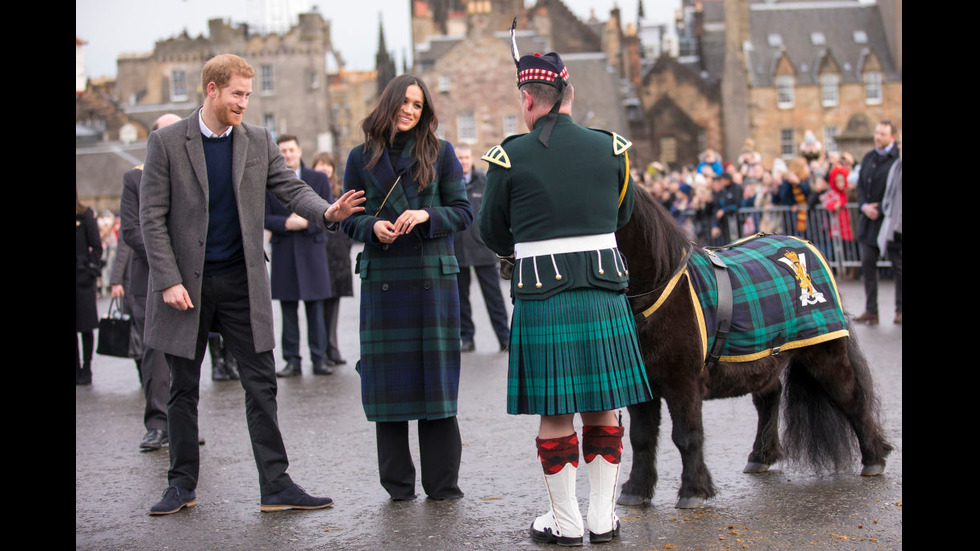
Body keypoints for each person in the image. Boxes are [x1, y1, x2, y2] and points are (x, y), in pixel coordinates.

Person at [138, 53, 365, 515]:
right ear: (212, 90)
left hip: (243, 282)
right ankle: (181, 485)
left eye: (248, 94)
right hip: (186, 288)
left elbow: (289, 189)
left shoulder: (259, 141)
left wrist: (326, 212)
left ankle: (276, 486)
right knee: (183, 387)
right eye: (237, 93)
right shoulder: (165, 142)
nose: (245, 102)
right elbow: (151, 218)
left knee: (261, 384)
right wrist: (167, 280)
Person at [478, 49, 653, 545]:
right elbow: (623, 215)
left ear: (529, 98)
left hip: (542, 294)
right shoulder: (612, 148)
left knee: (556, 411)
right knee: (602, 405)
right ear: (569, 96)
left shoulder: (509, 156)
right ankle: (602, 518)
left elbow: (491, 231)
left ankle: (567, 522)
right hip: (603, 292)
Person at [340, 74, 472, 501]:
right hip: (384, 278)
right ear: (390, 103)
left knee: (436, 382)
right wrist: (372, 226)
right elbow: (347, 217)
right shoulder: (360, 157)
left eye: (418, 105)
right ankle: (397, 485)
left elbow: (464, 212)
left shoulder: (442, 152)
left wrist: (426, 217)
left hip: (432, 277)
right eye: (406, 102)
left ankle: (442, 484)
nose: (410, 111)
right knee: (388, 386)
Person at [118, 114, 183, 451]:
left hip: (189, 275)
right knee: (155, 352)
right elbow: (130, 231)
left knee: (184, 353)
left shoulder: (190, 173)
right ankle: (157, 424)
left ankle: (182, 424)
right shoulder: (135, 179)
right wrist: (167, 256)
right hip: (149, 278)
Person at [265, 135, 335, 377]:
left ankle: (319, 358)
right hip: (285, 250)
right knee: (288, 310)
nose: (287, 154)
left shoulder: (318, 178)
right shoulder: (269, 181)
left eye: (291, 149)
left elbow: (330, 212)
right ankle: (292, 360)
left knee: (315, 309)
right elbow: (263, 216)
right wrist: (286, 223)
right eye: (282, 150)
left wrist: (307, 223)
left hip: (312, 250)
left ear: (299, 150)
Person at [452, 144, 511, 353]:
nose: (463, 162)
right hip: (457, 250)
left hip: (483, 249)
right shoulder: (449, 184)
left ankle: (505, 337)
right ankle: (467, 338)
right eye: (459, 157)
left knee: (494, 297)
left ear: (471, 159)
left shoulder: (484, 182)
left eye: (466, 157)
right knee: (461, 299)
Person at [853, 121, 901, 325]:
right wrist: (864, 206)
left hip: (890, 221)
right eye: (876, 132)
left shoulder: (896, 159)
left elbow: (895, 191)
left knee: (898, 267)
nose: (877, 137)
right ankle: (871, 310)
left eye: (882, 133)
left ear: (893, 137)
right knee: (867, 264)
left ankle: (900, 309)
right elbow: (861, 186)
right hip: (869, 221)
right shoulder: (868, 157)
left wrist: (880, 208)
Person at [312, 151, 353, 367]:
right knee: (319, 304)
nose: (324, 168)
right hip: (319, 251)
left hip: (337, 253)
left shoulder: (339, 191)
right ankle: (321, 349)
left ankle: (332, 346)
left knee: (334, 301)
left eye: (327, 165)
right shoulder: (311, 190)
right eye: (320, 164)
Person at [76, 188, 102, 385]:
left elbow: (97, 246)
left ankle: (87, 367)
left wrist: (91, 270)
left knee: (85, 326)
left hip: (82, 277)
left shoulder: (85, 216)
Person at [876, 134, 902, 324]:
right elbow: (889, 195)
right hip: (895, 225)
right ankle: (899, 309)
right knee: (898, 269)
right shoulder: (896, 166)